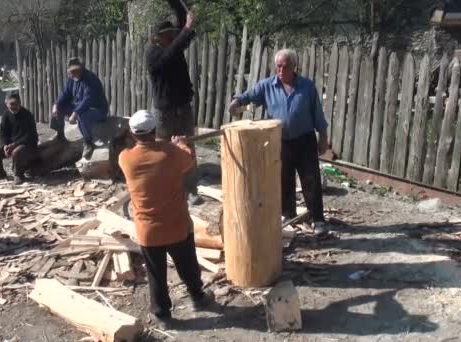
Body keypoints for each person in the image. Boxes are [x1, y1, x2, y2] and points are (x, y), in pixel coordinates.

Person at [119, 110, 213, 329]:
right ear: (154, 130)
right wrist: (182, 144)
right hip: (176, 225)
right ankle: (198, 297)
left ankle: (162, 314)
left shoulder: (126, 159)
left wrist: (166, 145)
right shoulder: (171, 153)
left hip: (148, 231)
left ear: (133, 134)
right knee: (188, 264)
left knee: (156, 274)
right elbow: (188, 161)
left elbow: (146, 148)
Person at [229, 48, 329, 235]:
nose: (281, 71)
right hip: (280, 141)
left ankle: (317, 218)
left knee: (311, 180)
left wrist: (323, 139)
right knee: (284, 179)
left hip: (305, 140)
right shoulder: (267, 85)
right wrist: (237, 101)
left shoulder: (307, 87)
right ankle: (288, 213)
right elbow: (247, 96)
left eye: (285, 67)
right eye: (278, 67)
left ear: (294, 67)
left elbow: (318, 115)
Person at [145, 0, 202, 205]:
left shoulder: (172, 45)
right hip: (164, 110)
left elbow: (181, 33)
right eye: (169, 34)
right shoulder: (153, 53)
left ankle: (190, 189)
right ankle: (164, 187)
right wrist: (186, 28)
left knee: (188, 147)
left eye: (173, 33)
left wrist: (178, 6)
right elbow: (169, 56)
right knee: (162, 149)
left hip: (182, 106)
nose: (173, 36)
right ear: (158, 38)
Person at [50, 57, 108, 159]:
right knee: (59, 107)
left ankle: (88, 142)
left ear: (81, 68)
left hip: (97, 109)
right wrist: (56, 104)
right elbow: (64, 94)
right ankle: (59, 135)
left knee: (82, 115)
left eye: (76, 70)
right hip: (80, 107)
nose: (73, 73)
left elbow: (88, 100)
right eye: (71, 71)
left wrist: (75, 113)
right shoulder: (71, 79)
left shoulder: (91, 79)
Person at [0, 93, 39, 185]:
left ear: (19, 103)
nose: (13, 106)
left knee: (16, 152)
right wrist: (4, 145)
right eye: (11, 104)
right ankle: (1, 175)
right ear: (6, 104)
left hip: (28, 144)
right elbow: (3, 133)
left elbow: (29, 135)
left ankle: (19, 175)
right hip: (12, 144)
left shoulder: (27, 115)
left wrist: (14, 145)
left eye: (15, 104)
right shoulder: (6, 115)